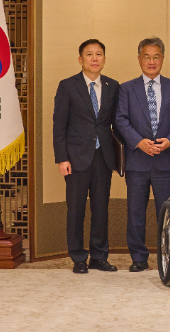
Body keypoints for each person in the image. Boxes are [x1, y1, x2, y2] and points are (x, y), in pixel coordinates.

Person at [115, 37, 170, 273]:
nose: (151, 61)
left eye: (156, 57)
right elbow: (121, 120)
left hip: (165, 161)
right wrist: (139, 142)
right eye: (147, 57)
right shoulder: (127, 89)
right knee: (135, 211)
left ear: (163, 59)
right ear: (139, 59)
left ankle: (169, 256)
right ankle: (138, 257)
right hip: (137, 161)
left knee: (167, 213)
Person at [52, 39, 120, 274]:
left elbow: (117, 125)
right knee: (76, 209)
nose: (94, 58)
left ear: (104, 59)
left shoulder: (112, 86)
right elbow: (59, 125)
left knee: (101, 209)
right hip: (75, 158)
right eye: (89, 54)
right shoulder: (67, 86)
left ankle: (99, 256)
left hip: (103, 157)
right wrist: (62, 158)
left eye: (99, 54)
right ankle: (79, 257)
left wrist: (118, 158)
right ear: (80, 59)